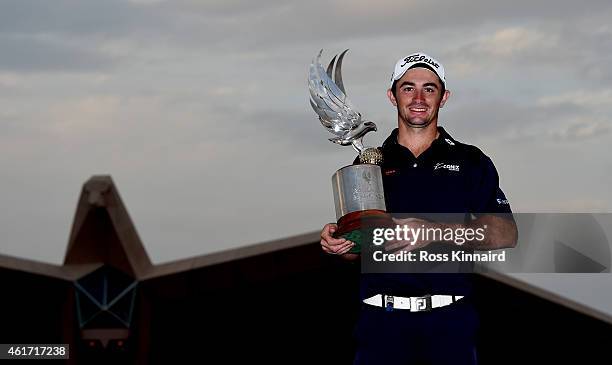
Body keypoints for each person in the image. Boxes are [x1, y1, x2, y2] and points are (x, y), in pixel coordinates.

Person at [320, 52, 518, 365]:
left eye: (430, 88)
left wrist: (434, 230)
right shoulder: (369, 163)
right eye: (408, 87)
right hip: (380, 325)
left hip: (449, 323)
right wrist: (339, 244)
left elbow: (505, 233)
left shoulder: (471, 161)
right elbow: (358, 248)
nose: (418, 98)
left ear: (444, 97)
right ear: (392, 95)